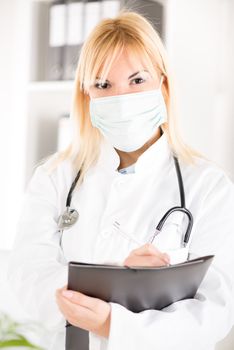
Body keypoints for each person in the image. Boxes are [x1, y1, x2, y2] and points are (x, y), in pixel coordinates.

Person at [7, 10, 234, 350]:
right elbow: (27, 278)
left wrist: (111, 321)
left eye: (137, 80)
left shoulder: (209, 186)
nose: (121, 98)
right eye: (103, 84)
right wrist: (118, 278)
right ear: (86, 95)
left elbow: (215, 311)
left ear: (163, 83)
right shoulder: (55, 178)